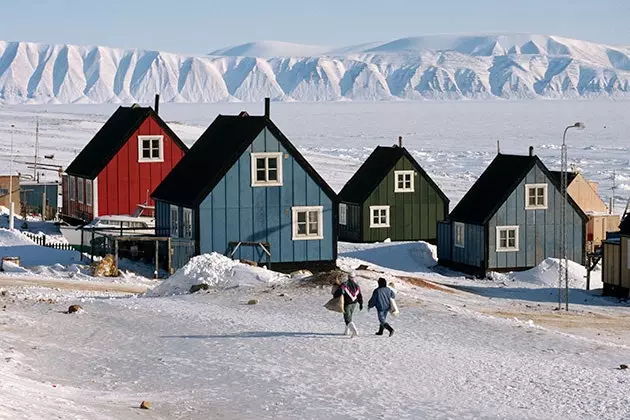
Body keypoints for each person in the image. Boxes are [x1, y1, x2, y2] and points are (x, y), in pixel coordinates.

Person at [333, 272, 363, 337]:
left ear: (348, 277)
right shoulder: (357, 286)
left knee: (347, 318)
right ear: (353, 277)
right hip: (354, 303)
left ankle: (355, 331)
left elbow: (340, 291)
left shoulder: (344, 284)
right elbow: (359, 295)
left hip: (347, 303)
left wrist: (335, 296)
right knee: (349, 316)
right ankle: (346, 331)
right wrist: (361, 303)